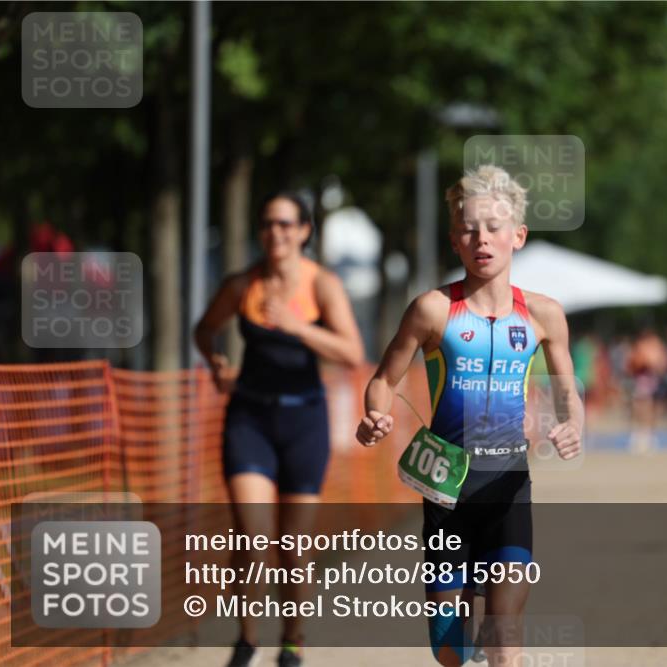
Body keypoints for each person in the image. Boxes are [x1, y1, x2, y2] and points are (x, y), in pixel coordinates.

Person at [356, 165, 583, 666]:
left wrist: (572, 424)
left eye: (494, 227)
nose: (481, 238)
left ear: (518, 236)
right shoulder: (432, 310)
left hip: (508, 487)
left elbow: (568, 389)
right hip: (446, 493)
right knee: (450, 650)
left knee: (505, 633)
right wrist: (375, 416)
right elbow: (382, 382)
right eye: (467, 228)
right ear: (454, 240)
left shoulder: (544, 314)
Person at [194, 191, 365, 667]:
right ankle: (247, 639)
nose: (277, 233)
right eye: (269, 223)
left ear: (305, 231)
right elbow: (203, 329)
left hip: (304, 420)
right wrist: (216, 363)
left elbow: (353, 352)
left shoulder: (323, 286)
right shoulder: (241, 285)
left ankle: (293, 640)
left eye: (287, 224)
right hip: (249, 418)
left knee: (294, 548)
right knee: (252, 538)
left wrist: (297, 326)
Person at [625, 328, 667, 452]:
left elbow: (661, 363)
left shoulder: (655, 346)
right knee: (640, 407)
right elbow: (632, 364)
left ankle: (648, 434)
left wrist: (651, 364)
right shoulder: (639, 347)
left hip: (651, 380)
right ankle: (640, 434)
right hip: (641, 380)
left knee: (651, 407)